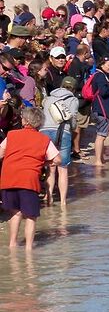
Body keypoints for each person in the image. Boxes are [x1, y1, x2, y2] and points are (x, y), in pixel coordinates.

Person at [0, 107, 61, 250]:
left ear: (25, 120)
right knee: (31, 216)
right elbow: (58, 159)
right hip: (28, 180)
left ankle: (12, 245)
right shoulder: (44, 139)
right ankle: (28, 250)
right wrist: (44, 162)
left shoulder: (12, 135)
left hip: (9, 178)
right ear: (39, 123)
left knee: (15, 213)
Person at [40, 77, 78, 205]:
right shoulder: (73, 100)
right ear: (73, 88)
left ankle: (49, 197)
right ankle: (63, 203)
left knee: (50, 167)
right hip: (63, 133)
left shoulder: (48, 98)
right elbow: (72, 121)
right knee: (63, 168)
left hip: (44, 132)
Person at [91, 56, 109, 166]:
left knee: (101, 135)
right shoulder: (100, 76)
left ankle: (100, 158)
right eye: (108, 65)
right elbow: (103, 92)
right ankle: (98, 160)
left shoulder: (99, 75)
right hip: (101, 109)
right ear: (102, 65)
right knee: (101, 136)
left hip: (99, 109)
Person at [67, 44, 92, 160]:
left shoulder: (82, 64)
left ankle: (77, 148)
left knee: (81, 125)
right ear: (85, 53)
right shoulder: (75, 65)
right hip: (79, 99)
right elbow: (76, 83)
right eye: (89, 52)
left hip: (84, 99)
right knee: (77, 126)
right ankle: (76, 150)